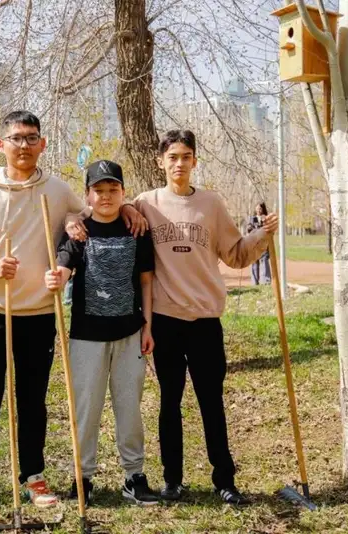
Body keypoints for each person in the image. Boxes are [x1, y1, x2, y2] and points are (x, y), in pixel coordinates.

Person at [0, 111, 147, 515]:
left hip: (38, 313)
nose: (24, 145)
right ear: (2, 145)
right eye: (16, 138)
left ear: (42, 144)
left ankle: (33, 475)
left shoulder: (56, 190)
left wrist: (128, 210)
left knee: (33, 402)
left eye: (32, 138)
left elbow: (92, 211)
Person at [135, 130, 278, 506]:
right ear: (160, 162)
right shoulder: (144, 204)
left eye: (186, 156)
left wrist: (262, 235)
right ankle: (172, 480)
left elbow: (235, 254)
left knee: (211, 401)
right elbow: (110, 216)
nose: (179, 163)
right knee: (170, 401)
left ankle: (224, 480)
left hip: (205, 320)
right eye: (172, 157)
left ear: (195, 161)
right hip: (165, 320)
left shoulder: (211, 204)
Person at [45, 160, 158, 507]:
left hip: (129, 333)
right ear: (88, 195)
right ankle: (83, 476)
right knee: (86, 408)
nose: (106, 197)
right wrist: (57, 278)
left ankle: (134, 476)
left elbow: (146, 282)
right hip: (86, 337)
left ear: (123, 193)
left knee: (129, 407)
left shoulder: (137, 230)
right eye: (99, 190)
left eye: (113, 190)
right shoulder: (78, 231)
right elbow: (64, 266)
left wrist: (148, 325)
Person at [247, 202, 272, 285]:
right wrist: (251, 228)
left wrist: (264, 222)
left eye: (260, 208)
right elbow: (249, 229)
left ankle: (266, 281)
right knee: (254, 262)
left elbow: (268, 230)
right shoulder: (252, 219)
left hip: (263, 244)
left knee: (264, 261)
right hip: (254, 244)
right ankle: (254, 282)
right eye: (257, 208)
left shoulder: (266, 218)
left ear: (263, 209)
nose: (258, 210)